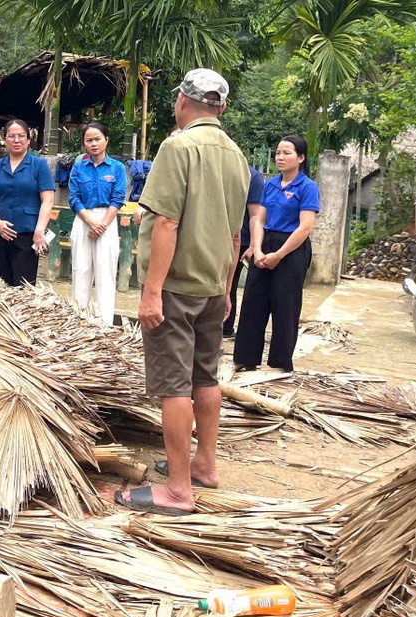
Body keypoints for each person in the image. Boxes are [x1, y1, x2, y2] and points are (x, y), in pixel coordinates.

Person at [114, 68, 250, 516]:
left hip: (175, 286)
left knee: (174, 386)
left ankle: (176, 489)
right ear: (222, 108)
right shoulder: (236, 154)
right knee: (205, 377)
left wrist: (151, 292)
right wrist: (227, 290)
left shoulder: (177, 146)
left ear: (181, 101)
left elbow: (166, 223)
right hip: (213, 286)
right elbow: (235, 234)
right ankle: (204, 465)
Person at [233, 136, 320, 372]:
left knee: (285, 304)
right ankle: (246, 357)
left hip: (291, 248)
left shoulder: (307, 187)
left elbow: (304, 227)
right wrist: (258, 249)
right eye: (278, 152)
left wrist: (279, 255)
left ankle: (280, 362)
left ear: (301, 158)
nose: (280, 157)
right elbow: (260, 219)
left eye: (287, 153)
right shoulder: (271, 184)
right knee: (253, 301)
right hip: (265, 242)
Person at [0, 119, 56, 286]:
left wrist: (39, 231)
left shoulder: (39, 165)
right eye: (11, 136)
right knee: (0, 285)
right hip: (0, 232)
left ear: (28, 140)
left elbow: (48, 200)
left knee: (24, 285)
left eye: (21, 136)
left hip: (28, 233)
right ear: (5, 140)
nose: (16, 140)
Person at [68, 122, 128, 325]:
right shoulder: (78, 167)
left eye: (97, 139)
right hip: (84, 218)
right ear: (84, 143)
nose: (94, 144)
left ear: (106, 140)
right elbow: (74, 197)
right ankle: (78, 320)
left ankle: (104, 324)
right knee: (81, 270)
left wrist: (102, 224)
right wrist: (90, 222)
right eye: (89, 140)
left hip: (107, 221)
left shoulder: (117, 168)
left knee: (106, 273)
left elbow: (118, 198)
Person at [223, 166, 266, 337]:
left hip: (242, 240)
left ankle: (225, 328)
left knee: (230, 283)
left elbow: (256, 215)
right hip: (217, 236)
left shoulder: (252, 176)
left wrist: (254, 245)